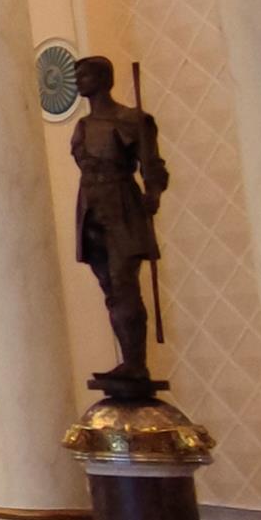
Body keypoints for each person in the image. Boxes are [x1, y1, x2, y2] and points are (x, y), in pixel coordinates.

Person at [70, 55, 170, 389]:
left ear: (103, 79)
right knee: (111, 290)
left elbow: (153, 166)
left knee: (124, 284)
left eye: (84, 76)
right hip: (90, 208)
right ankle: (129, 361)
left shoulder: (132, 120)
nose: (78, 82)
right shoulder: (83, 127)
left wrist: (153, 193)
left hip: (122, 205)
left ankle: (136, 364)